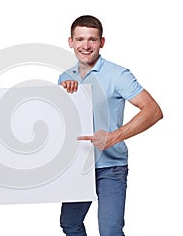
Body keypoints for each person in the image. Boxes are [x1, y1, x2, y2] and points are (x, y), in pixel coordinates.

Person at [58, 15, 163, 236]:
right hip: (78, 167)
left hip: (111, 167)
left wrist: (114, 136)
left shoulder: (118, 75)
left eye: (92, 40)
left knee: (110, 231)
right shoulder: (64, 77)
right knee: (70, 224)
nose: (85, 46)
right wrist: (62, 92)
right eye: (79, 39)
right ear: (70, 42)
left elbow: (153, 110)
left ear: (102, 42)